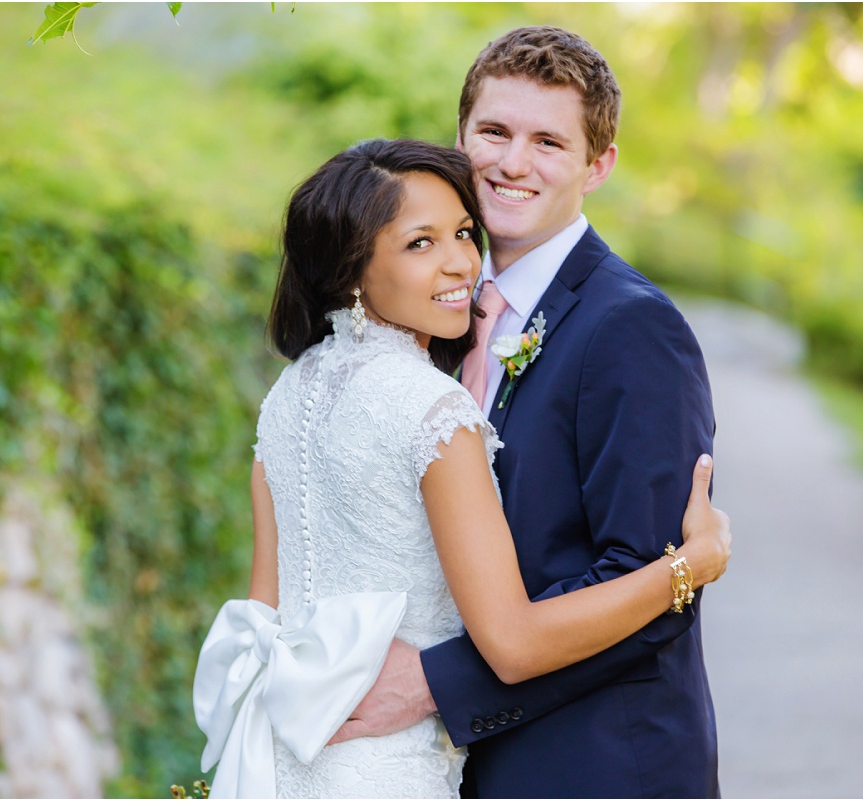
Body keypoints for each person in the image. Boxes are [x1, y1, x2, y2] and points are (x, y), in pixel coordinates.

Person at [191, 138, 730, 799]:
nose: (460, 264)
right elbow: (513, 642)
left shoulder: (287, 395)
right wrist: (689, 566)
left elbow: (265, 614)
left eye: (463, 234)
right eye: (421, 243)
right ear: (352, 269)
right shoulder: (433, 408)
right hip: (389, 767)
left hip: (294, 758)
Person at [328, 27, 724, 798]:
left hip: (597, 763)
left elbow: (651, 586)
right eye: (495, 132)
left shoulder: (632, 327)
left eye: (549, 141)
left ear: (597, 165)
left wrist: (437, 682)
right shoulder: (432, 311)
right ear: (460, 135)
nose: (513, 163)